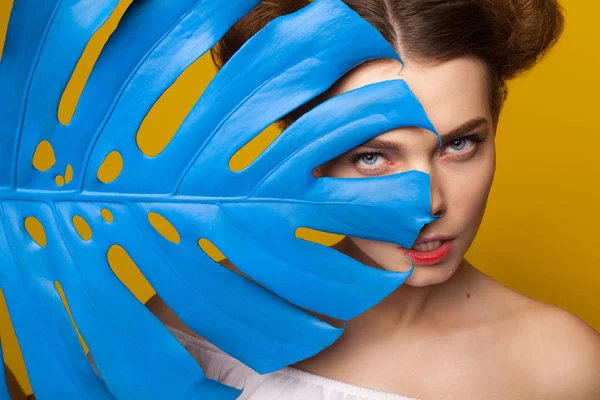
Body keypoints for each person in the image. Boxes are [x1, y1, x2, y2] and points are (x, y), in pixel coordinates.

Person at [147, 0, 600, 399]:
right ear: (310, 156)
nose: (426, 203)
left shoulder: (560, 367)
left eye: (459, 144)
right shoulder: (196, 319)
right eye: (372, 157)